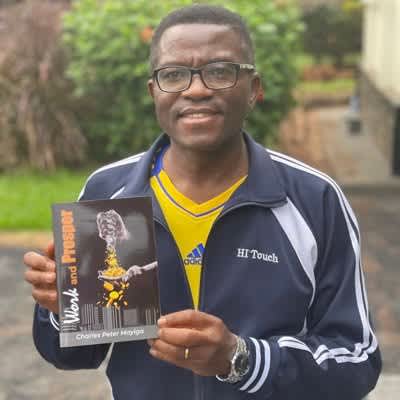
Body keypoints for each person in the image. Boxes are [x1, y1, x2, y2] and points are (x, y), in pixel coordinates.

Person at [24, 4, 381, 400]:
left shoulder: (313, 199)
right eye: (174, 74)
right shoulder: (110, 194)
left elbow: (357, 360)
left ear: (254, 89)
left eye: (220, 71)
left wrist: (241, 359)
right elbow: (74, 356)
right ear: (154, 92)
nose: (196, 89)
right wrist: (62, 311)